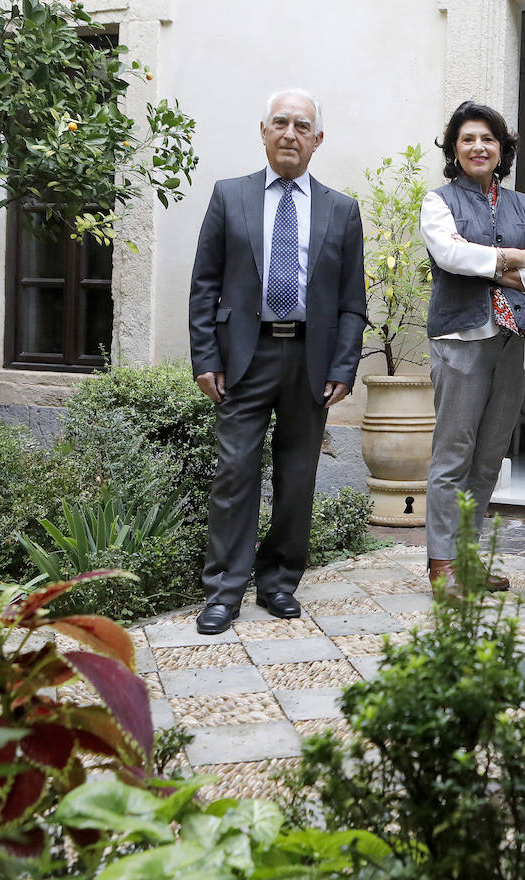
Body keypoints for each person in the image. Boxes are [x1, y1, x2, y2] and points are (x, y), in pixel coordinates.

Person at [189, 89, 367, 635]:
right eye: (281, 123)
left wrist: (343, 366)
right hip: (246, 356)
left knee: (298, 476)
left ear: (318, 140)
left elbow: (351, 300)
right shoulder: (229, 196)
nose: (290, 133)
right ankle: (224, 591)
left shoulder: (341, 209)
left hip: (310, 361)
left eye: (302, 126)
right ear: (263, 131)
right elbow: (205, 284)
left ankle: (280, 582)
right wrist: (205, 356)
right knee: (236, 473)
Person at [420, 101, 525, 592]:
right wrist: (508, 258)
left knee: (490, 454)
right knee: (454, 452)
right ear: (455, 150)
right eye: (468, 139)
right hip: (461, 337)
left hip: (514, 338)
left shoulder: (523, 205)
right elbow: (449, 254)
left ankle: (467, 558)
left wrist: (494, 265)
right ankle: (442, 565)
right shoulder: (438, 201)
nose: (479, 147)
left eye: (489, 139)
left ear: (502, 150)